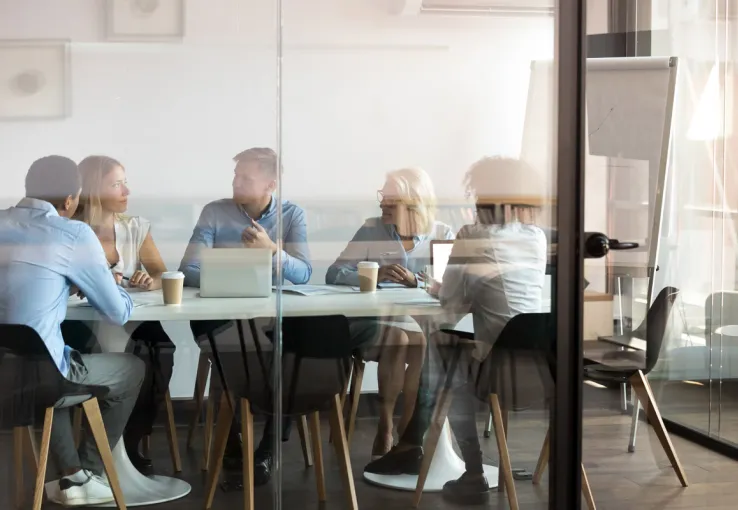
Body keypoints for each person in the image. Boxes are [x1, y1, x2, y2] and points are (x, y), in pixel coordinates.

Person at [365, 157, 548, 504]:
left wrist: (435, 294)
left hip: (495, 369)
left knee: (441, 356)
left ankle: (470, 469)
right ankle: (411, 443)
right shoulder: (535, 238)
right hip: (538, 365)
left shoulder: (473, 235)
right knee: (441, 352)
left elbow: (449, 309)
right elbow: (479, 291)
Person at [0, 155, 144, 507]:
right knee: (132, 369)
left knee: (52, 360)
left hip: (6, 370)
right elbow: (116, 312)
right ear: (69, 201)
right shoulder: (72, 232)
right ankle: (91, 474)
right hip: (41, 375)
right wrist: (109, 282)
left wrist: (63, 283)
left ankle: (68, 477)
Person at [179, 147, 311, 486]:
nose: (236, 182)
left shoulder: (292, 215)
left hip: (269, 319)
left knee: (292, 354)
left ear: (270, 184)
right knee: (237, 349)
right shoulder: (215, 212)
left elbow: (304, 273)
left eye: (245, 178)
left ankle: (267, 449)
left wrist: (270, 251)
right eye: (235, 176)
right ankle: (233, 443)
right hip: (220, 318)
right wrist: (238, 269)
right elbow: (188, 269)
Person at [326, 167, 454, 458]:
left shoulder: (442, 233)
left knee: (419, 340)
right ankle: (386, 427)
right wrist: (372, 274)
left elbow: (451, 286)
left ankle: (408, 430)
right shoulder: (372, 229)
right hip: (376, 322)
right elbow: (334, 273)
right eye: (382, 197)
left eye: (391, 200)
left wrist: (417, 281)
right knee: (400, 338)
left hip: (421, 322)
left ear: (414, 203)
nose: (382, 204)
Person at [71, 155, 172, 476]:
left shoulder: (135, 228)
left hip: (134, 319)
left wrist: (148, 280)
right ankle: (99, 450)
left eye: (124, 182)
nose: (126, 190)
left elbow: (160, 273)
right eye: (116, 184)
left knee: (161, 353)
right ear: (93, 189)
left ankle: (129, 443)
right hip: (83, 325)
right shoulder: (70, 231)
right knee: (117, 359)